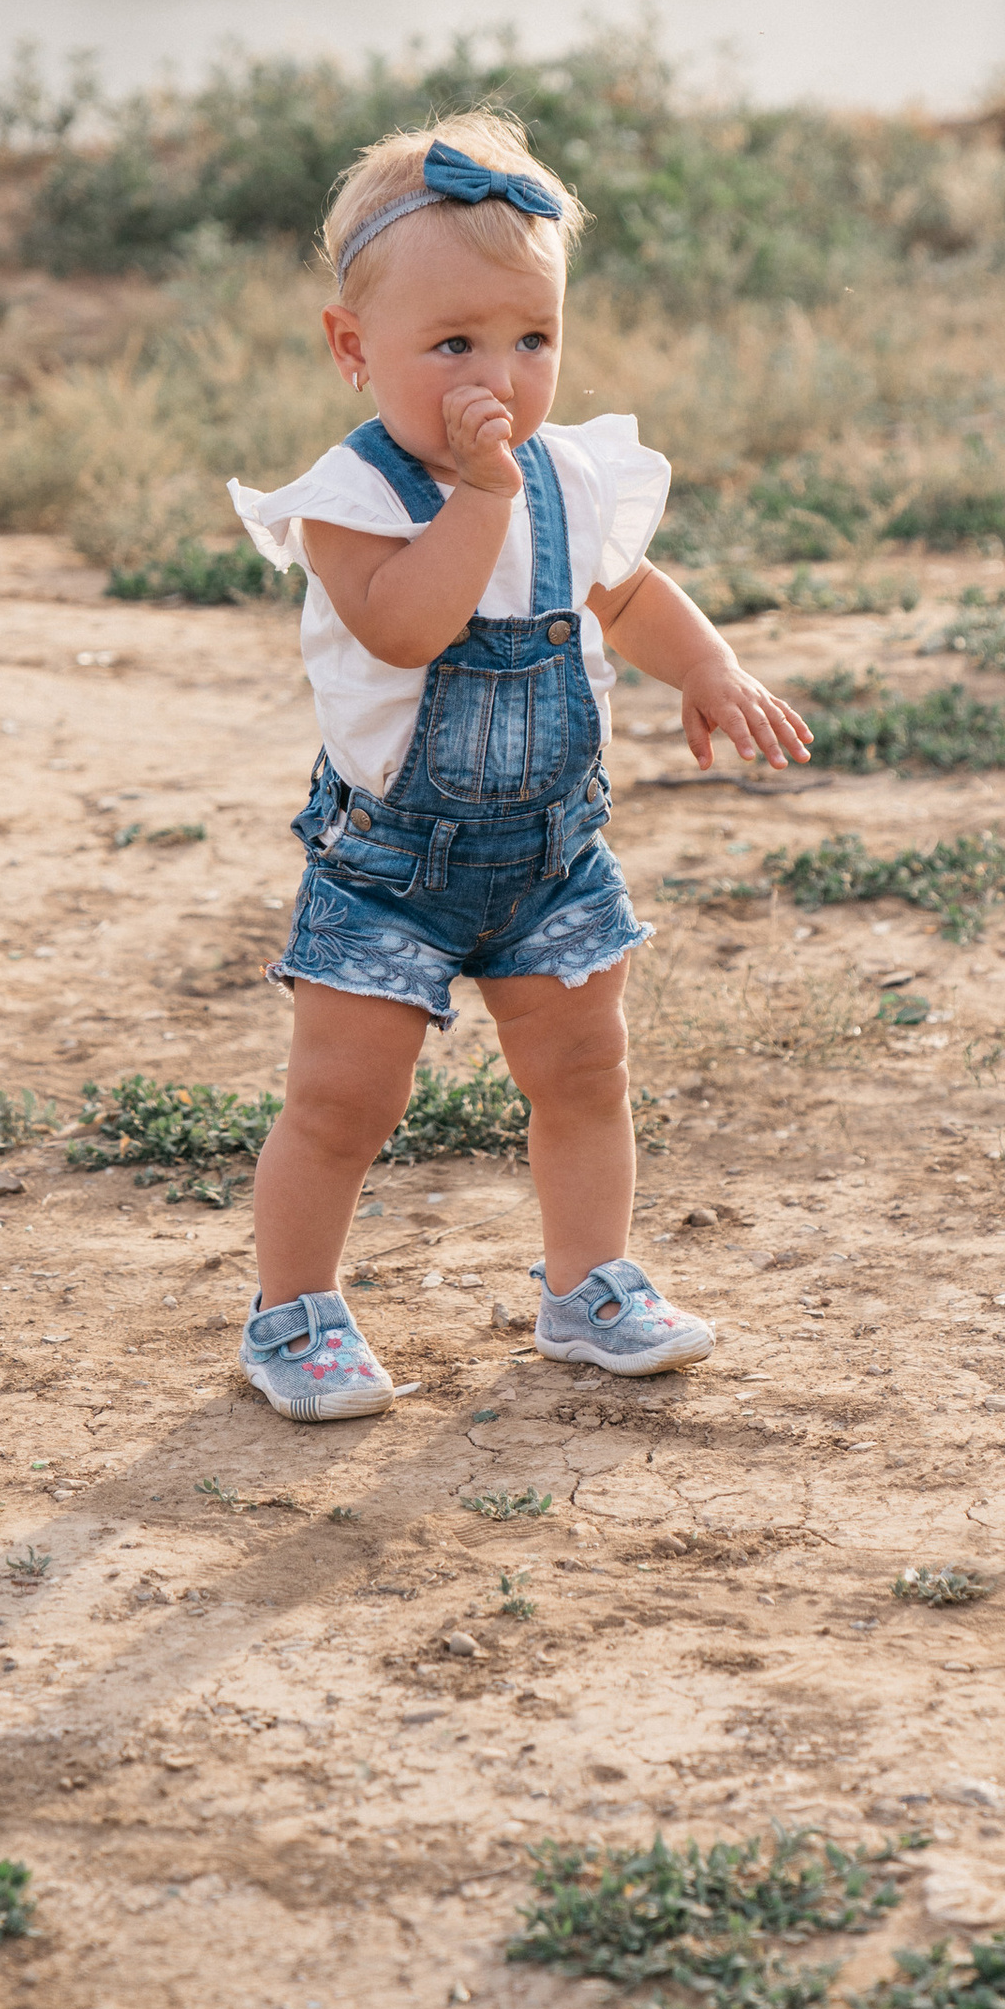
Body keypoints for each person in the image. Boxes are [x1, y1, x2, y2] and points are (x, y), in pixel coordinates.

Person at [224, 107, 812, 1420]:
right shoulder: (355, 499)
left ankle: (587, 1279)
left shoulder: (565, 478)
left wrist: (707, 664)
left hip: (549, 854)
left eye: (531, 336)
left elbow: (629, 592)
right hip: (395, 863)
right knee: (342, 1099)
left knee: (585, 1071)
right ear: (350, 348)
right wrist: (477, 497)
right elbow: (404, 623)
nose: (500, 372)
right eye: (453, 344)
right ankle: (295, 1312)